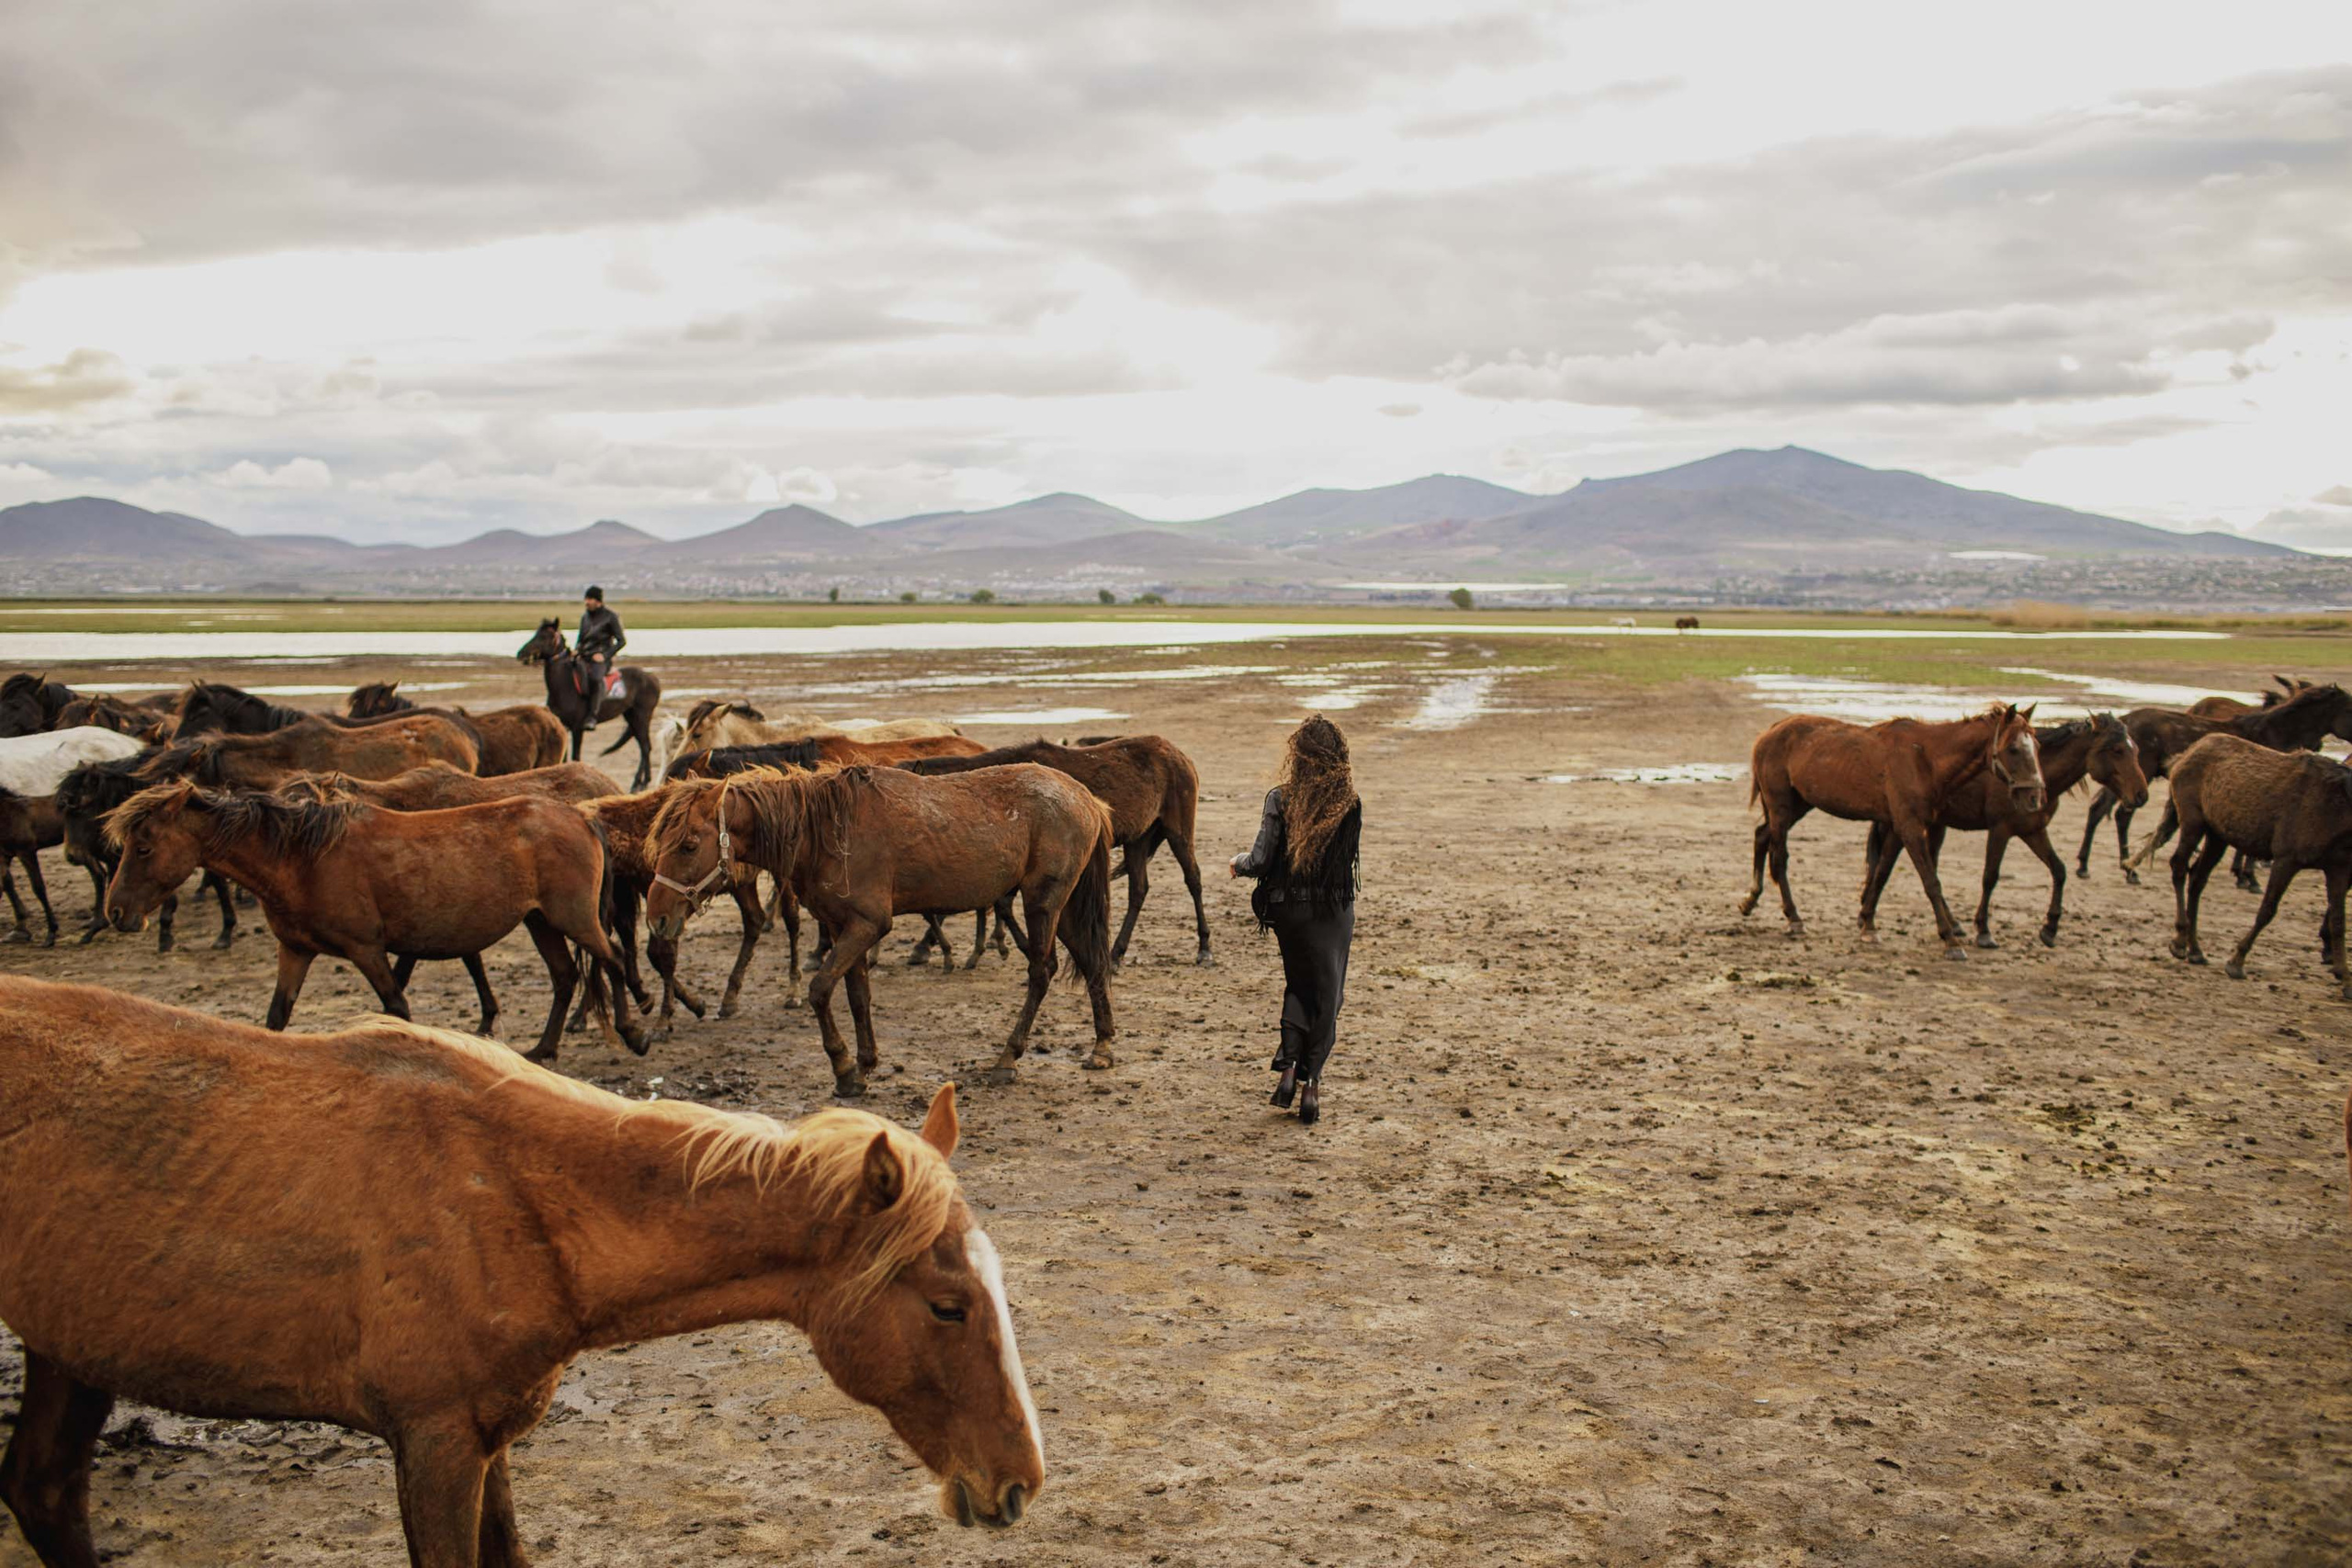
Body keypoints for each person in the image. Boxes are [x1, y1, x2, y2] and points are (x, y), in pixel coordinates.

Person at [1229, 715, 1362, 1127]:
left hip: (1291, 912)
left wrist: (1238, 864)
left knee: (1299, 984)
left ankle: (1288, 1069)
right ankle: (1311, 1085)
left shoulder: (1280, 799)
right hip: (1333, 911)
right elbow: (1345, 866)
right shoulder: (1350, 804)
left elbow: (1261, 860)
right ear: (1338, 757)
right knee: (1329, 994)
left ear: (1298, 756)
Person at [575, 585, 626, 730]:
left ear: (598, 601)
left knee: (596, 679)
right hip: (584, 656)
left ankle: (592, 716)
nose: (586, 602)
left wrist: (604, 655)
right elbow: (581, 639)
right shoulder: (585, 617)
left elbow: (621, 641)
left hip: (601, 659)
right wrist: (576, 650)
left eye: (590, 599)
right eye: (586, 599)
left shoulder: (611, 616)